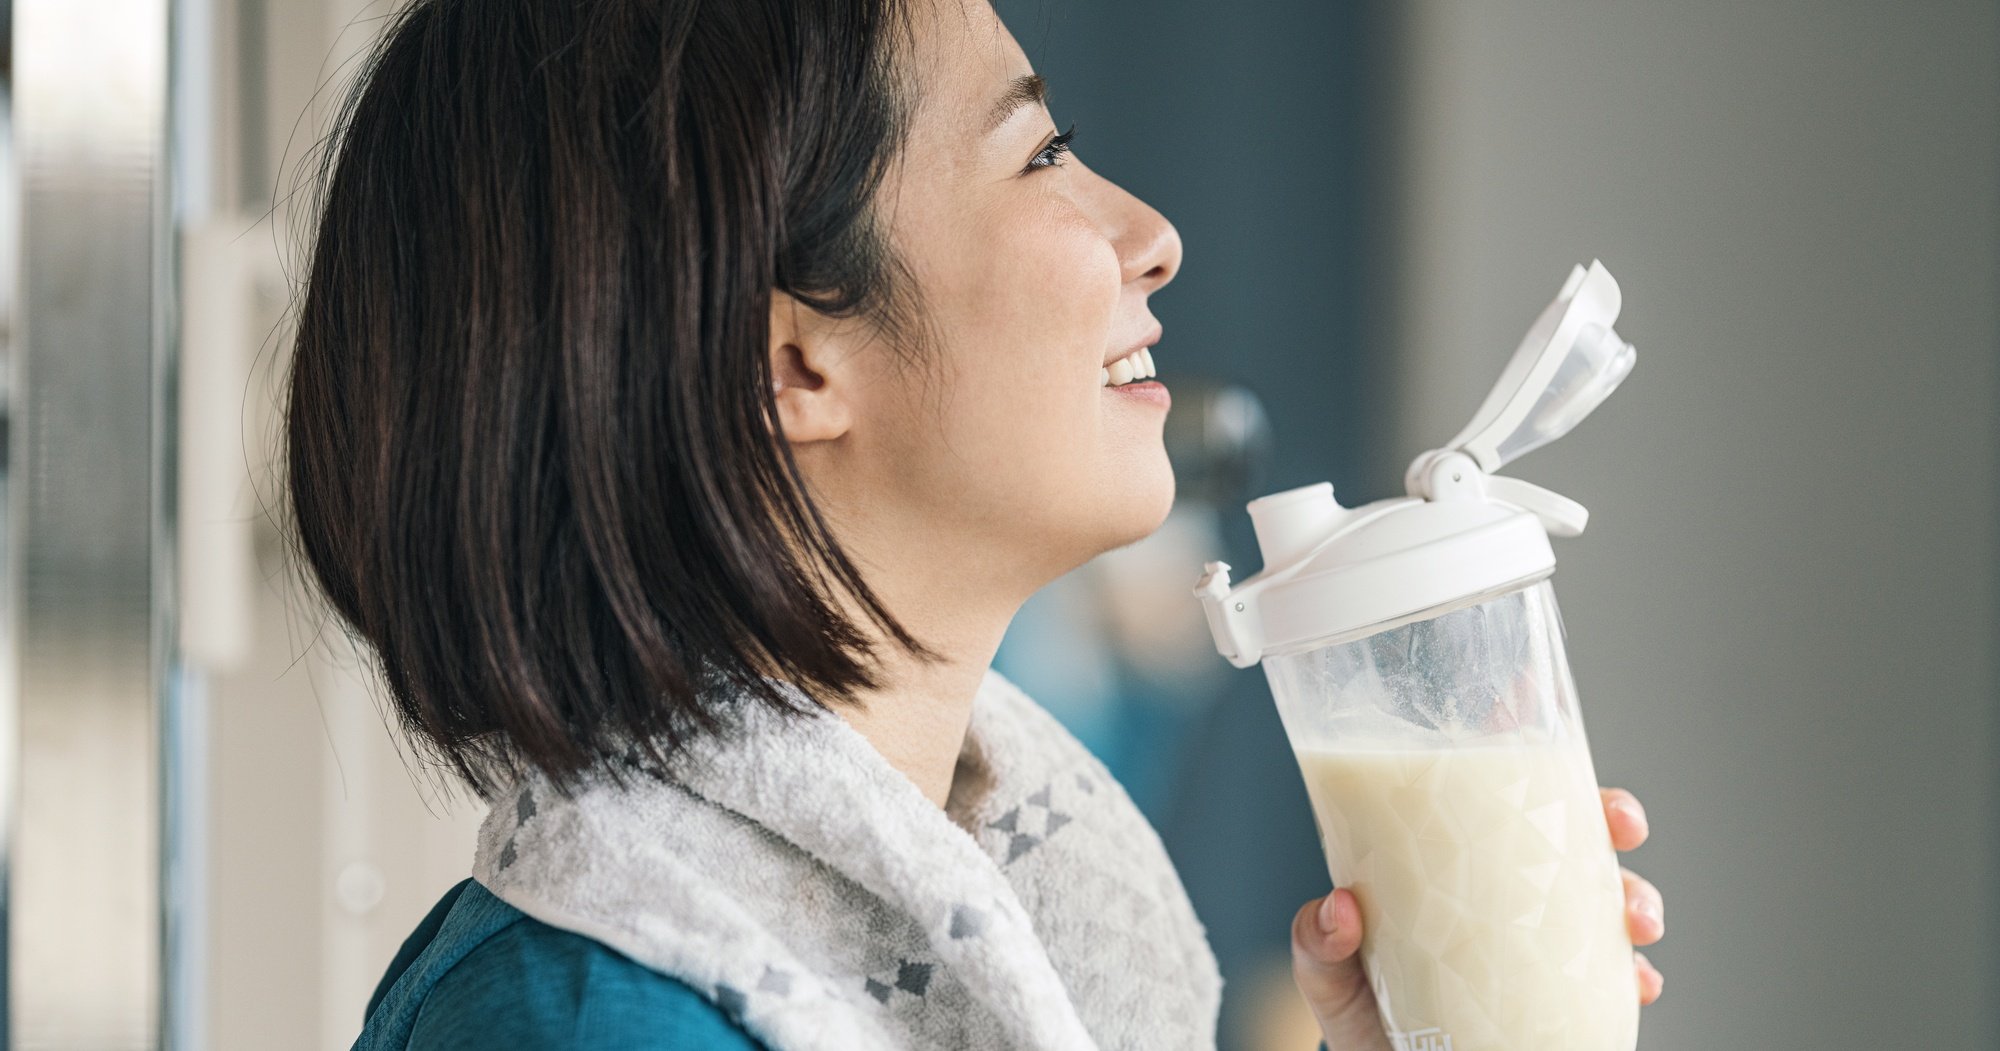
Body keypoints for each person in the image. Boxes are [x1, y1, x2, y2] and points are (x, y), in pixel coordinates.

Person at [287, 0, 1667, 1047]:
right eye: (1043, 155)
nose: (1153, 234)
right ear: (791, 367)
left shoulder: (1004, 900)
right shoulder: (594, 1023)